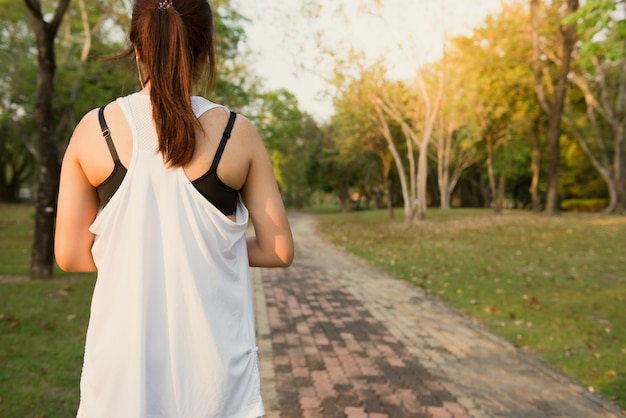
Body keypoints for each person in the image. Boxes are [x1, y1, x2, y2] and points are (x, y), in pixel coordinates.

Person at [54, 0, 294, 416]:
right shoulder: (238, 133)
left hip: (120, 374)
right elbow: (278, 249)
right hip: (212, 379)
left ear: (137, 46)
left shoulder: (95, 130)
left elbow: (71, 254)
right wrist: (199, 252)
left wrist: (143, 253)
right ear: (206, 49)